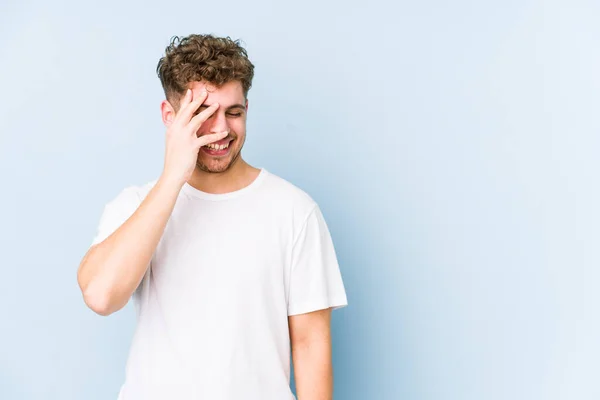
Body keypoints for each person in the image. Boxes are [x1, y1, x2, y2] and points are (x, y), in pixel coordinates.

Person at [76, 33, 348, 400]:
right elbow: (100, 296)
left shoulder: (294, 211)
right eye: (203, 114)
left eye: (233, 113)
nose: (221, 130)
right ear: (170, 116)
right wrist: (174, 176)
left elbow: (311, 345)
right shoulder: (136, 204)